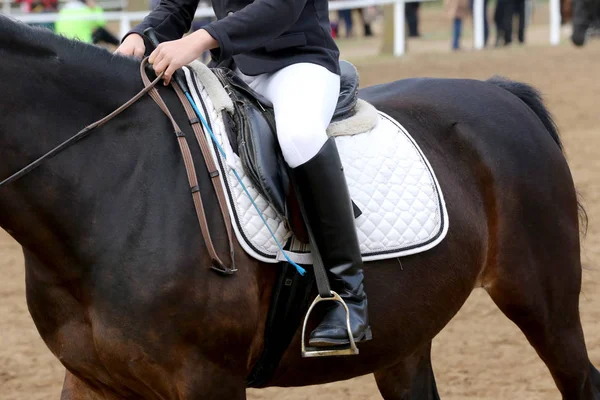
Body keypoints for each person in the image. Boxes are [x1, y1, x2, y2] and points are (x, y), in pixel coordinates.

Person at [115, 0, 371, 347]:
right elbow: (175, 6)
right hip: (231, 70)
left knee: (300, 136)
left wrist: (198, 40)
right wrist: (141, 36)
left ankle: (348, 295)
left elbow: (279, 8)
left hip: (298, 63)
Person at [55, 0, 119, 45]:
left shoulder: (63, 11)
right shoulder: (86, 11)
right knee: (100, 31)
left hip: (64, 45)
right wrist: (95, 8)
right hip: (83, 45)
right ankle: (119, 43)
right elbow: (101, 22)